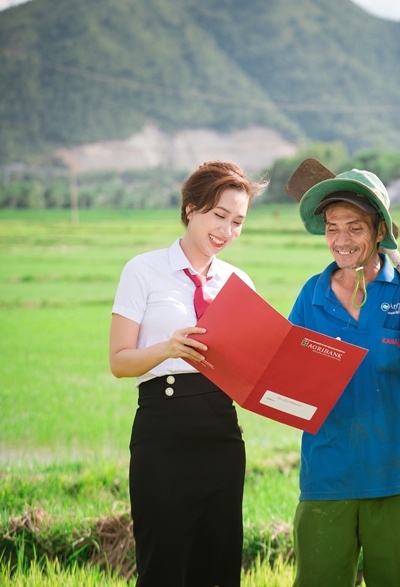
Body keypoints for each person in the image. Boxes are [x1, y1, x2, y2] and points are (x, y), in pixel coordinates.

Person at [288, 168, 400, 587]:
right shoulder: (312, 296)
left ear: (380, 229)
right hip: (329, 472)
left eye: (354, 227)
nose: (341, 239)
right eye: (332, 228)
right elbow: (288, 377)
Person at [109, 160, 267, 586]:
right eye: (219, 216)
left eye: (238, 221)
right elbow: (119, 361)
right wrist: (167, 348)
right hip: (162, 432)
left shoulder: (239, 282)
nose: (227, 231)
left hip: (221, 433)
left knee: (218, 566)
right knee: (163, 564)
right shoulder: (143, 270)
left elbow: (252, 366)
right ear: (191, 209)